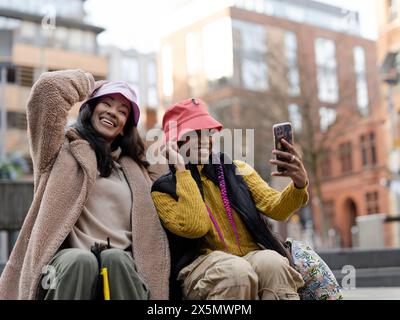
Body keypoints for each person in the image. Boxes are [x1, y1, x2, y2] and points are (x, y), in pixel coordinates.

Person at [0, 69, 170, 300]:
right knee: (80, 261)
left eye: (123, 112)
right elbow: (47, 89)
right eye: (107, 103)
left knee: (115, 259)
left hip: (123, 269)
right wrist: (92, 85)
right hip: (67, 268)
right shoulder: (58, 152)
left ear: (125, 126)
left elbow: (166, 171)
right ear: (90, 107)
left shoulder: (137, 168)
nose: (113, 113)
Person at [151, 98, 309, 300]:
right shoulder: (163, 189)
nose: (204, 140)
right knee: (236, 272)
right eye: (193, 134)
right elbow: (195, 226)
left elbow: (277, 209)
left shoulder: (238, 170)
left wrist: (299, 185)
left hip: (251, 256)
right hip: (200, 265)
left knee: (273, 263)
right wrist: (182, 171)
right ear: (175, 143)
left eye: (208, 132)